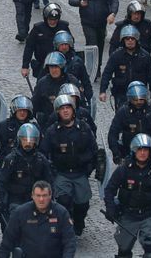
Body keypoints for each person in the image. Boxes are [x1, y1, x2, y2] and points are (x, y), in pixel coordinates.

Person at [103, 133, 151, 258]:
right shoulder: (124, 169)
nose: (143, 153)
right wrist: (110, 208)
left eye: (146, 150)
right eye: (140, 150)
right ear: (134, 151)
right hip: (127, 215)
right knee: (124, 252)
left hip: (148, 215)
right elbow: (109, 189)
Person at [39, 95, 97, 234]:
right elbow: (43, 153)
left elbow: (94, 150)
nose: (65, 111)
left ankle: (79, 221)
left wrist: (90, 167)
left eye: (68, 108)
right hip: (61, 173)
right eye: (62, 109)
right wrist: (50, 170)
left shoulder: (84, 128)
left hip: (80, 172)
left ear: (73, 110)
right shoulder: (52, 131)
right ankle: (65, 227)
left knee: (82, 204)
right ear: (57, 112)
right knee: (63, 201)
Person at [0, 123, 52, 231]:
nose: (28, 143)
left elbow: (49, 181)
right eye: (25, 139)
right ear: (19, 140)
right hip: (15, 198)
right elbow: (1, 181)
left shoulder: (41, 160)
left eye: (31, 140)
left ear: (36, 141)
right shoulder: (11, 160)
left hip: (35, 198)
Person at [0, 180, 76, 258]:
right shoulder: (21, 213)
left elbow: (69, 241)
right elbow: (7, 242)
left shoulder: (61, 213)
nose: (41, 199)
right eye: (38, 195)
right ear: (32, 196)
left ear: (50, 195)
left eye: (44, 195)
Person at [68, 0, 119, 76]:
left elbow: (113, 0)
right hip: (87, 22)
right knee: (92, 44)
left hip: (101, 22)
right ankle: (91, 69)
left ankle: (97, 68)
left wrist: (112, 13)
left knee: (100, 45)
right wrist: (79, 2)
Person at [107, 81, 151, 164]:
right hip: (129, 152)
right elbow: (113, 133)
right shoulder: (123, 112)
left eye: (141, 99)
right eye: (135, 100)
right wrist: (116, 153)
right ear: (130, 99)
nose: (139, 102)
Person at [99, 26, 151, 111]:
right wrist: (103, 91)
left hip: (140, 95)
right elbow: (107, 73)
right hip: (121, 93)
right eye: (127, 39)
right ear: (123, 40)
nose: (130, 41)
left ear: (136, 40)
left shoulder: (145, 56)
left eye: (132, 38)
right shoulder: (116, 56)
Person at [22, 2, 70, 77]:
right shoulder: (38, 29)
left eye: (55, 19)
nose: (53, 22)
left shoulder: (63, 26)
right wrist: (25, 66)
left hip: (61, 65)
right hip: (43, 65)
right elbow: (29, 47)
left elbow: (70, 45)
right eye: (50, 19)